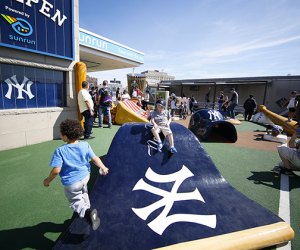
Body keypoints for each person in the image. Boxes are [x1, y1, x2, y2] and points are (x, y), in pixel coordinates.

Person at [43, 119, 109, 230]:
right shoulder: (85, 145)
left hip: (72, 183)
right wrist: (103, 167)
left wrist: (47, 180)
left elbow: (56, 170)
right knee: (84, 191)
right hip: (85, 177)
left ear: (64, 136)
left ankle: (88, 213)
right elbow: (94, 159)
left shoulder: (60, 151)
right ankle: (88, 207)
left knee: (75, 200)